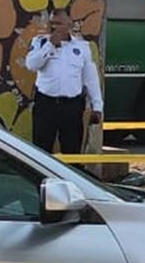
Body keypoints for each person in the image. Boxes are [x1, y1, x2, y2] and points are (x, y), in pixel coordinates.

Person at [25, 9, 103, 154]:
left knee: (72, 148)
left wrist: (97, 106)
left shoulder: (81, 47)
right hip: (46, 104)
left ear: (69, 23)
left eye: (59, 23)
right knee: (41, 150)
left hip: (72, 106)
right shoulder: (40, 41)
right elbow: (31, 65)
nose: (55, 27)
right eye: (52, 23)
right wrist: (50, 46)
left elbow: (90, 79)